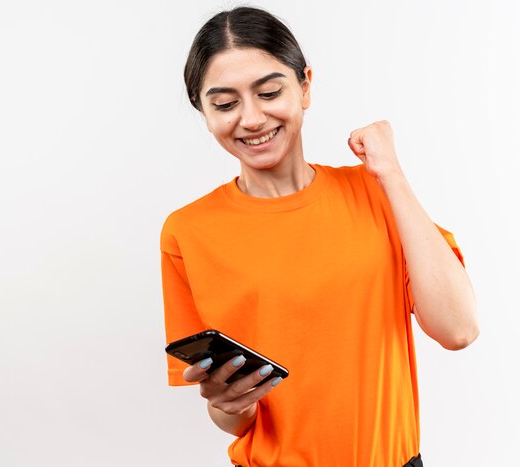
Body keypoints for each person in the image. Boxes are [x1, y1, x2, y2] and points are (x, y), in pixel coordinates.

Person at [160, 6, 479, 467]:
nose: (251, 119)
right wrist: (229, 404)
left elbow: (459, 329)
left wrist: (391, 173)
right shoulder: (187, 232)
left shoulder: (376, 192)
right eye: (225, 104)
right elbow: (234, 419)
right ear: (204, 112)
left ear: (305, 86)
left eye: (269, 92)